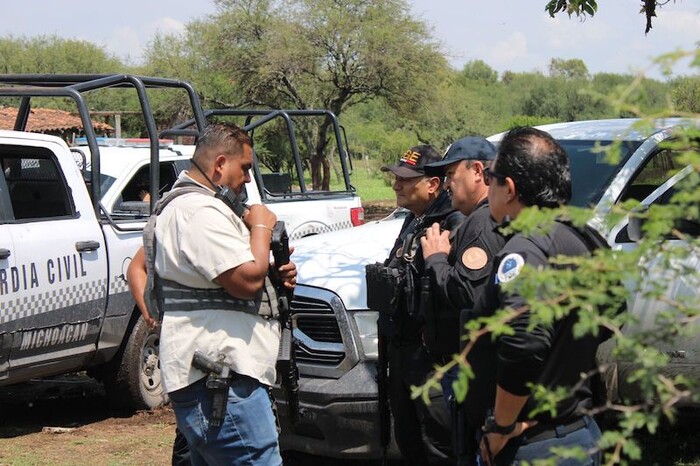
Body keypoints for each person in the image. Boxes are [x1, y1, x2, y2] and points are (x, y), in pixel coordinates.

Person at [147, 122, 297, 465]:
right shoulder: (199, 211)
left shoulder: (192, 208)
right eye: (244, 168)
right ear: (219, 164)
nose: (247, 179)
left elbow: (222, 279)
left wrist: (271, 276)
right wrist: (261, 227)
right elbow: (245, 281)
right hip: (221, 385)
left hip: (217, 380)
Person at [464, 127, 604, 465]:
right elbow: (613, 315)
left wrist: (501, 425)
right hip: (578, 432)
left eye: (492, 177)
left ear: (509, 188)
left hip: (532, 445)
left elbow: (523, 344)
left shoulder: (526, 250)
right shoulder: (585, 238)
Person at [419, 137, 507, 464]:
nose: (445, 185)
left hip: (484, 374)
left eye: (451, 174)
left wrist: (438, 260)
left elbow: (471, 294)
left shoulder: (481, 223)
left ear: (478, 172)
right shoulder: (489, 217)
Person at [376, 145, 464, 465]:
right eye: (396, 178)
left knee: (437, 445)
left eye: (406, 179)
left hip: (432, 358)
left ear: (433, 185)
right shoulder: (414, 219)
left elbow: (453, 291)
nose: (396, 185)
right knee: (408, 440)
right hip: (402, 351)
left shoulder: (451, 222)